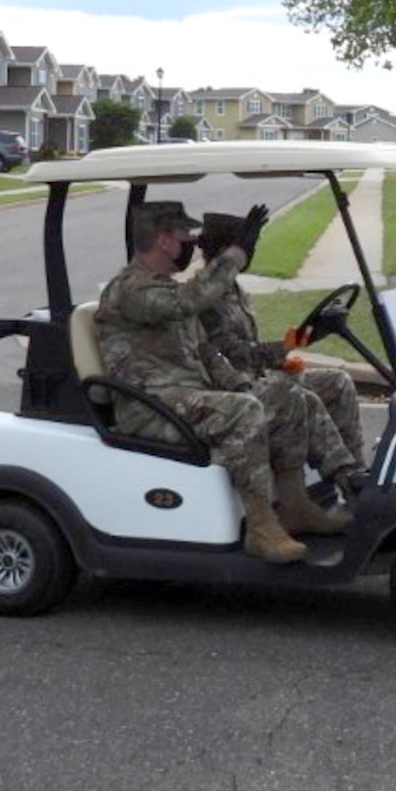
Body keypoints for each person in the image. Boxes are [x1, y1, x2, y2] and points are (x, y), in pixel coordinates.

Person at [94, 201, 307, 563]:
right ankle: (260, 527)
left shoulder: (165, 288)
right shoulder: (131, 291)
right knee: (243, 412)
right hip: (150, 406)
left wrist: (239, 383)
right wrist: (236, 254)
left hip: (185, 398)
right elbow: (193, 298)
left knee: (284, 393)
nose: (189, 244)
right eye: (184, 237)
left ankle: (296, 505)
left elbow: (206, 352)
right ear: (164, 240)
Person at [195, 212, 368, 518]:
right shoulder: (204, 298)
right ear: (224, 250)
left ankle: (358, 477)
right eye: (246, 247)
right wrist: (284, 348)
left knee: (337, 382)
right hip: (232, 392)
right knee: (300, 397)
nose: (249, 254)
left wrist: (287, 353)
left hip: (259, 377)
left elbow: (251, 351)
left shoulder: (236, 290)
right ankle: (344, 480)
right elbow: (232, 356)